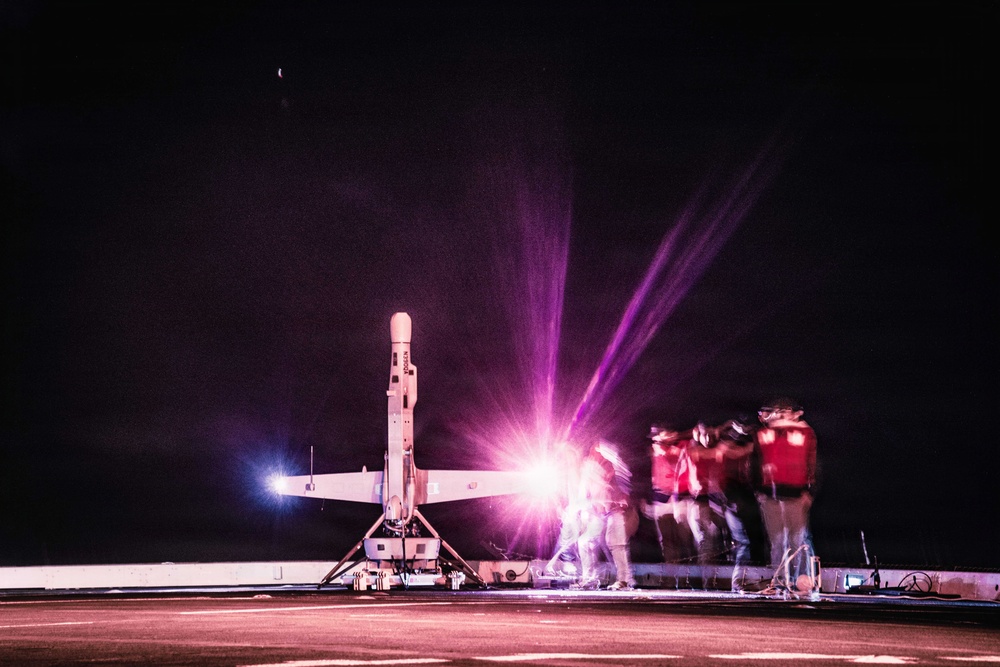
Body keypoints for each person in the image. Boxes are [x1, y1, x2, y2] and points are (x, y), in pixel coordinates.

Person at [755, 397, 818, 586]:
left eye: (786, 410)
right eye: (779, 411)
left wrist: (810, 492)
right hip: (771, 495)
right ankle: (780, 581)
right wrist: (758, 490)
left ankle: (802, 581)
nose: (782, 414)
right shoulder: (764, 433)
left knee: (798, 540)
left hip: (796, 495)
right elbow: (755, 461)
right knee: (777, 542)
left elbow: (813, 463)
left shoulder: (806, 432)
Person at [572, 440, 636, 591]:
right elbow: (584, 491)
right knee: (585, 542)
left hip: (614, 510)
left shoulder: (615, 465)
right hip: (598, 512)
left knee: (616, 544)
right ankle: (589, 578)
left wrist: (622, 500)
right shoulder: (588, 467)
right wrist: (582, 508)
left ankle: (624, 580)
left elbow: (623, 484)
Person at [715, 416, 769, 592]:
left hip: (745, 498)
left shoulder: (746, 448)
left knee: (752, 540)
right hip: (736, 499)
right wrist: (731, 500)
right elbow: (726, 477)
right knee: (744, 541)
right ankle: (739, 581)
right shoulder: (730, 449)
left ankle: (748, 580)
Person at [647, 424, 697, 570]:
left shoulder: (681, 447)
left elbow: (680, 460)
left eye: (658, 436)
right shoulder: (656, 449)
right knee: (666, 539)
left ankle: (689, 572)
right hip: (660, 498)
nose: (655, 440)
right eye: (655, 438)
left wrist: (674, 439)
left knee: (684, 537)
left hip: (679, 498)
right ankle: (671, 571)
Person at [687, 422, 731, 586]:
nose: (708, 439)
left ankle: (714, 580)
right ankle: (707, 581)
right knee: (705, 542)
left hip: (718, 501)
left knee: (717, 542)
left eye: (711, 435)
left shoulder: (721, 450)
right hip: (700, 502)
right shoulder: (694, 451)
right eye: (704, 435)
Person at [543, 440, 583, 577]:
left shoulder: (577, 470)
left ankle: (553, 566)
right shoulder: (563, 472)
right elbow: (556, 492)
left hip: (577, 509)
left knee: (570, 538)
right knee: (567, 538)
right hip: (570, 509)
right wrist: (559, 506)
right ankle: (559, 565)